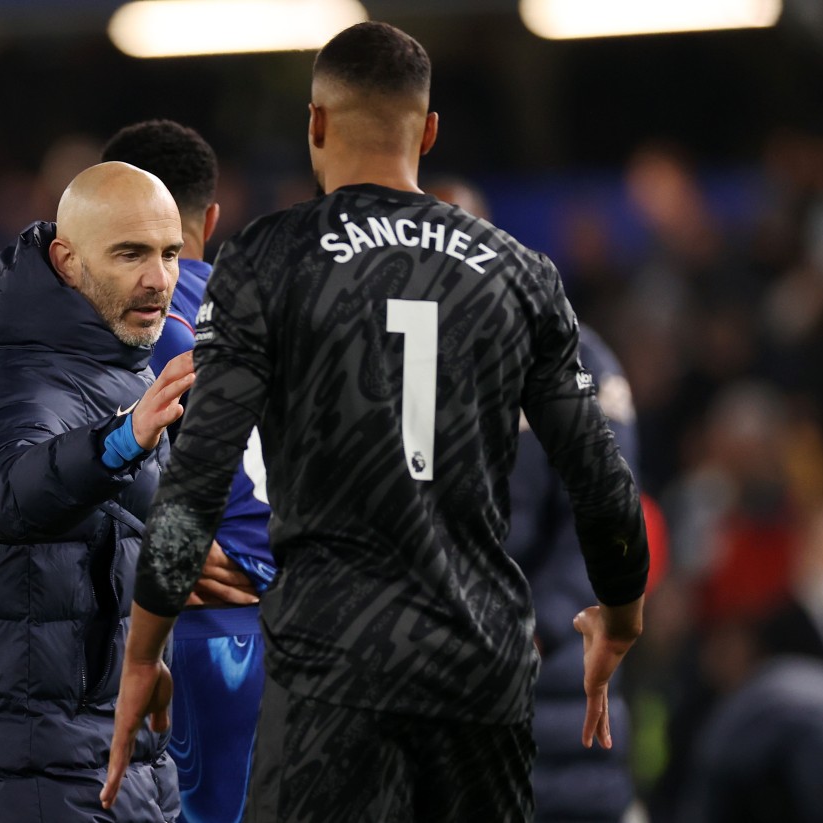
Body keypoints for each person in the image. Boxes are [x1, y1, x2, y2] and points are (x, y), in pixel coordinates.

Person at [103, 21, 649, 823]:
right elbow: (603, 482)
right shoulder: (521, 272)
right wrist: (620, 618)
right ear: (427, 130)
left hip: (330, 666)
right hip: (480, 668)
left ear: (316, 124)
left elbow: (197, 479)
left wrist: (143, 653)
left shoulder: (268, 259)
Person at [0, 161, 194, 823]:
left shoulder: (116, 372)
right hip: (34, 768)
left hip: (111, 750)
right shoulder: (18, 379)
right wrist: (123, 439)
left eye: (169, 253)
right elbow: (2, 492)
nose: (158, 279)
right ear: (67, 262)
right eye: (130, 253)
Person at [101, 119, 274, 823]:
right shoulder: (274, 311)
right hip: (279, 624)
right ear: (212, 217)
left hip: (188, 632)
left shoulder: (131, 331)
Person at [505, 327, 645, 823]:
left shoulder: (576, 356)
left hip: (554, 699)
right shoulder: (394, 330)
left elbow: (608, 528)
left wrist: (532, 630)